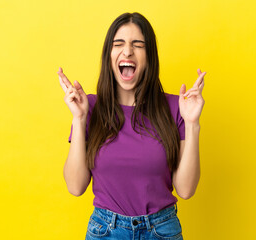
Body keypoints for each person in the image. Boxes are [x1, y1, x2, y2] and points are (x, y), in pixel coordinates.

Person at [57, 12, 206, 240]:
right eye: (119, 44)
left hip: (162, 230)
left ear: (150, 57)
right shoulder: (91, 107)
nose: (127, 51)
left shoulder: (177, 108)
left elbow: (185, 190)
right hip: (105, 231)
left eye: (138, 45)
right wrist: (78, 119)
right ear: (109, 55)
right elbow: (76, 186)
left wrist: (192, 123)